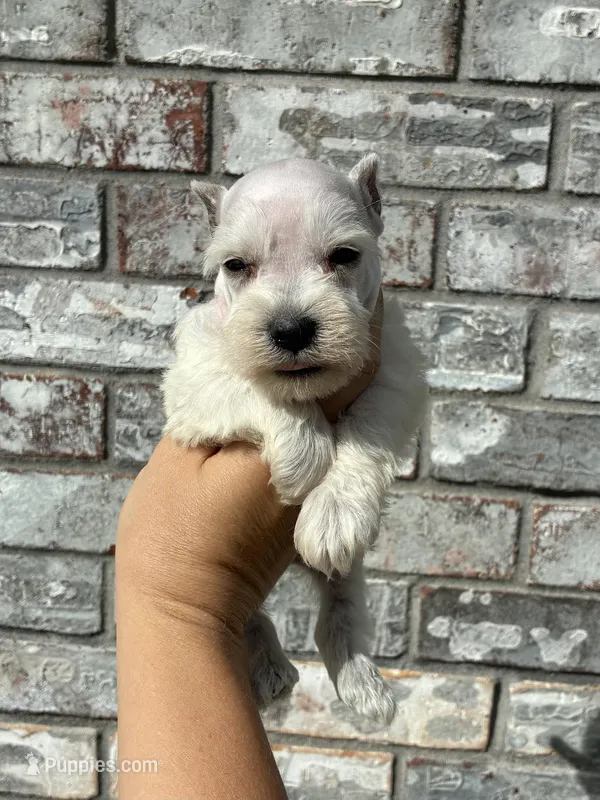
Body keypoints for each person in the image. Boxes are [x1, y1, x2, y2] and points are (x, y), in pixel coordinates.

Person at [115, 295, 383, 799]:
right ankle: (260, 650)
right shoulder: (203, 331)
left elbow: (397, 394)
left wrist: (353, 475)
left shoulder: (368, 335)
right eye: (243, 266)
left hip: (178, 582)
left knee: (338, 561)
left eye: (339, 259)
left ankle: (344, 645)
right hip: (172, 542)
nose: (290, 301)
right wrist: (291, 426)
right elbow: (191, 402)